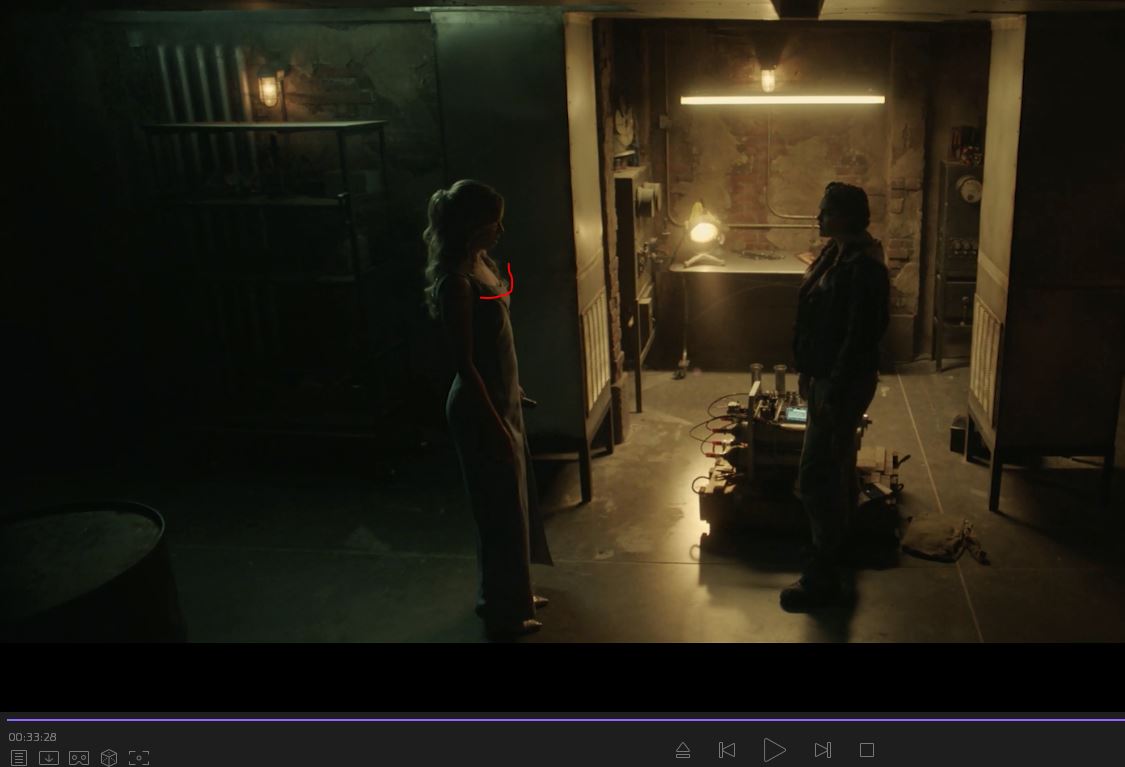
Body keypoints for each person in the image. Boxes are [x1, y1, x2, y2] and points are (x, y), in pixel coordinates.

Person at [423, 179, 553, 639]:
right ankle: (501, 609)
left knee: (514, 505)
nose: (500, 230)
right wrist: (493, 420)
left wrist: (513, 390)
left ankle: (518, 592)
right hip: (479, 408)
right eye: (493, 222)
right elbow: (465, 363)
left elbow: (495, 344)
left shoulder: (482, 265)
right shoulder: (456, 283)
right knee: (496, 513)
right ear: (472, 226)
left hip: (501, 399)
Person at [785, 181, 890, 612]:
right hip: (825, 377)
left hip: (841, 382)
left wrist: (834, 388)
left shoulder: (865, 268)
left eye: (826, 211)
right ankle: (834, 546)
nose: (818, 217)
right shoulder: (837, 253)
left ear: (846, 217)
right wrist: (808, 371)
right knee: (834, 466)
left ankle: (823, 576)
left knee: (817, 475)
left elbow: (860, 338)